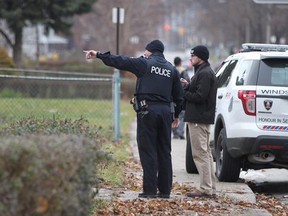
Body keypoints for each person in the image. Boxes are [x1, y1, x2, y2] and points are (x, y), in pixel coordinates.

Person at [84, 39, 183, 199]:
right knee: (165, 151)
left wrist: (99, 55)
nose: (144, 53)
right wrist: (176, 115)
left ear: (150, 51)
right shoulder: (172, 69)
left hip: (147, 111)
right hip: (165, 113)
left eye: (146, 50)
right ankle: (165, 191)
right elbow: (179, 96)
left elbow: (122, 61)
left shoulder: (145, 64)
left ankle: (150, 190)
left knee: (148, 150)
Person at [180, 45, 217, 198]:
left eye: (193, 55)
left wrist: (184, 92)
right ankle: (210, 187)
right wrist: (189, 85)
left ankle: (205, 189)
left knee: (200, 154)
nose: (191, 58)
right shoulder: (203, 72)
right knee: (206, 153)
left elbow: (199, 97)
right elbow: (199, 91)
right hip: (200, 118)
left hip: (198, 119)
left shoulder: (205, 73)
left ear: (200, 57)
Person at [172, 56, 190, 140]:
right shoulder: (184, 71)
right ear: (180, 62)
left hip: (172, 96)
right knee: (182, 115)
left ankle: (175, 132)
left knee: (173, 113)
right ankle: (180, 132)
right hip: (181, 95)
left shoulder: (171, 70)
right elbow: (187, 82)